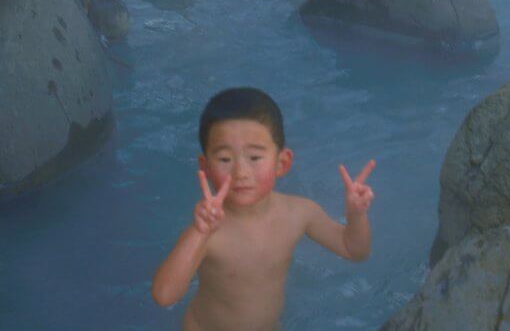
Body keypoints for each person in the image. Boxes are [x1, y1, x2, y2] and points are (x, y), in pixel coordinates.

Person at [151, 87, 376, 329]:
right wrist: (199, 233)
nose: (240, 173)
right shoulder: (209, 231)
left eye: (255, 158)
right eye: (225, 159)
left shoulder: (299, 213)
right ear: (204, 167)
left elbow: (354, 251)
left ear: (282, 162)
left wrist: (356, 215)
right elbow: (164, 296)